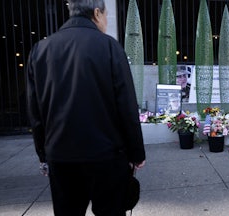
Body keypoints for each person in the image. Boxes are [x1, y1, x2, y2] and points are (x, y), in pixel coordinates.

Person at [26, 0, 145, 215]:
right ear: (97, 13)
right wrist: (136, 152)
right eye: (106, 16)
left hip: (61, 155)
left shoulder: (40, 50)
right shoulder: (109, 47)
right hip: (107, 155)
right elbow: (126, 105)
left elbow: (35, 111)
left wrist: (43, 154)